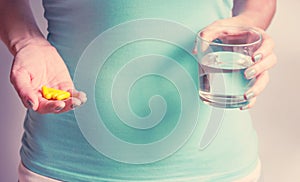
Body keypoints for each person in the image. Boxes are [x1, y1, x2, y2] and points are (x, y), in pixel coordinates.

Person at [0, 0, 277, 181]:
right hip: (66, 164)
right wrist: (26, 42)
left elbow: (258, 4)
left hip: (216, 165)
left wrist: (248, 29)